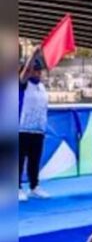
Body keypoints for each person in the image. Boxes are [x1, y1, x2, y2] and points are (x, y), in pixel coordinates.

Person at [19, 49, 49, 201]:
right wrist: (33, 55)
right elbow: (25, 72)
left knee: (34, 161)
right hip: (21, 129)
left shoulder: (42, 87)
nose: (37, 73)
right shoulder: (21, 84)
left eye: (39, 71)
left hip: (37, 130)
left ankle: (34, 186)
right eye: (34, 71)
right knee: (18, 160)